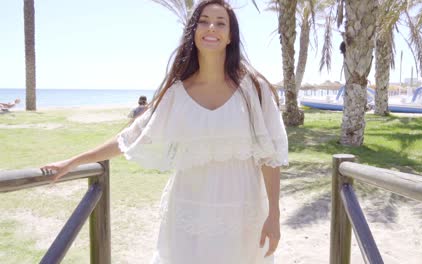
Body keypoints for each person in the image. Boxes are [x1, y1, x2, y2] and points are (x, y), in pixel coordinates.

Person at [41, 1, 288, 263]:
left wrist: (274, 215)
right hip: (187, 214)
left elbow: (270, 156)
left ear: (230, 36)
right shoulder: (177, 94)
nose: (211, 27)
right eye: (203, 21)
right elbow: (132, 137)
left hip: (245, 216)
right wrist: (73, 162)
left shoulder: (254, 89)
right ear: (193, 31)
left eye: (220, 22)